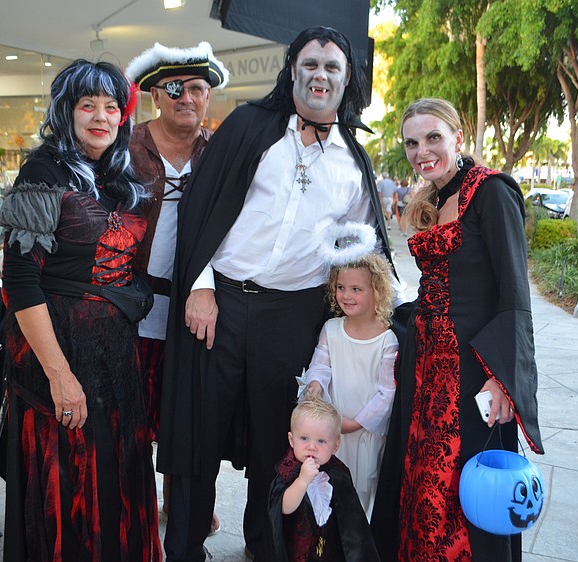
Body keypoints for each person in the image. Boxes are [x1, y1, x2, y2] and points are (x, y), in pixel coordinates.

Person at [157, 26, 397, 562]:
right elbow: (198, 210)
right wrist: (198, 286)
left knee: (279, 443)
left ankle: (264, 548)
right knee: (200, 438)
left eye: (332, 67)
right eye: (310, 64)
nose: (320, 75)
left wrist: (392, 314)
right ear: (293, 71)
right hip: (218, 305)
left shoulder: (352, 162)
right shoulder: (248, 127)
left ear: (347, 78)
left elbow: (367, 250)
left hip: (293, 314)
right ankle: (185, 548)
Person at [0, 59, 160, 561]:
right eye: (88, 105)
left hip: (114, 351)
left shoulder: (120, 172)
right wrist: (60, 376)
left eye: (112, 106)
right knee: (66, 480)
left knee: (117, 471)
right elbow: (20, 279)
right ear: (66, 111)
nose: (101, 116)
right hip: (57, 346)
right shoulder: (41, 170)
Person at [371, 98, 544, 562]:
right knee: (421, 474)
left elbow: (514, 294)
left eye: (433, 138)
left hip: (472, 367)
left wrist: (502, 377)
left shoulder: (491, 192)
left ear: (458, 138)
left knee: (464, 480)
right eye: (411, 142)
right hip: (425, 366)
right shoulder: (436, 196)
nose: (421, 151)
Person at [125, 41, 229, 535]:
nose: (186, 97)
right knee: (131, 407)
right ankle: (137, 499)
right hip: (127, 298)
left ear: (208, 97)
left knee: (180, 408)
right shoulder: (125, 148)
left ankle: (175, 499)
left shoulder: (219, 154)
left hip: (192, 302)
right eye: (175, 88)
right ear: (155, 95)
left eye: (197, 89)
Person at [304, 248, 398, 519]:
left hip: (365, 434)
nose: (346, 295)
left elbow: (386, 393)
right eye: (341, 287)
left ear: (377, 292)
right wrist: (315, 387)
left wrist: (355, 423)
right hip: (332, 431)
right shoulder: (331, 329)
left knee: (362, 491)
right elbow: (320, 366)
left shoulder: (386, 340)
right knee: (329, 487)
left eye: (357, 289)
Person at [265, 397, 380, 562]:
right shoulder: (287, 470)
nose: (312, 446)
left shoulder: (338, 473)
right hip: (295, 554)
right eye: (304, 438)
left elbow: (351, 522)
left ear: (335, 446)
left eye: (321, 441)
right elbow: (283, 507)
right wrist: (302, 481)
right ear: (291, 440)